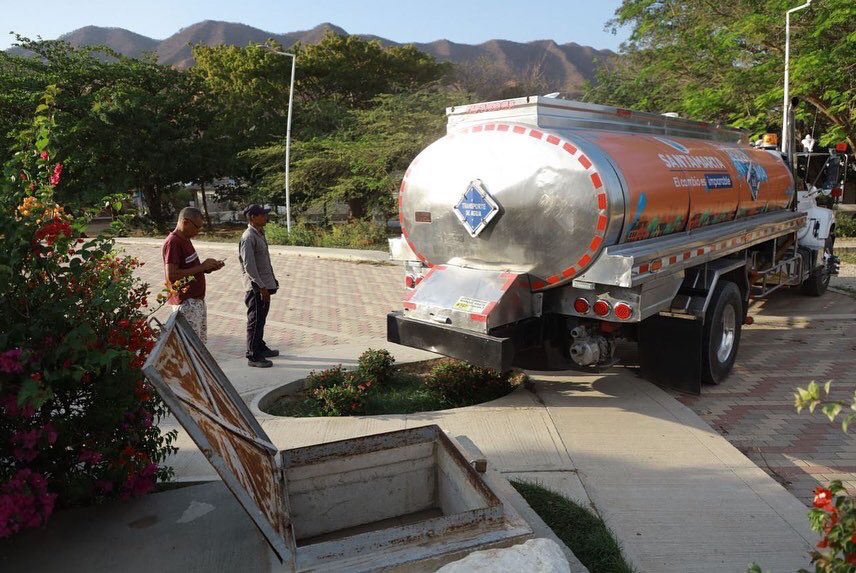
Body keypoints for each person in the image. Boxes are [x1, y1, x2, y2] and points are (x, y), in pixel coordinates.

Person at [162, 207, 225, 343]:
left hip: (195, 302)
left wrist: (207, 268)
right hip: (186, 303)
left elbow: (190, 270)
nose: (198, 231)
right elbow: (172, 275)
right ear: (185, 222)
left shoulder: (185, 239)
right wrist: (201, 267)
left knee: (198, 346)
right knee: (189, 346)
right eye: (197, 227)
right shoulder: (173, 242)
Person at [239, 204, 280, 368]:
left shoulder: (258, 234)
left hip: (264, 285)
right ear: (253, 217)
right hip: (256, 288)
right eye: (263, 215)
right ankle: (253, 355)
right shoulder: (248, 237)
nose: (265, 217)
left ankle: (260, 347)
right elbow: (249, 266)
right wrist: (261, 287)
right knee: (255, 321)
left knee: (261, 320)